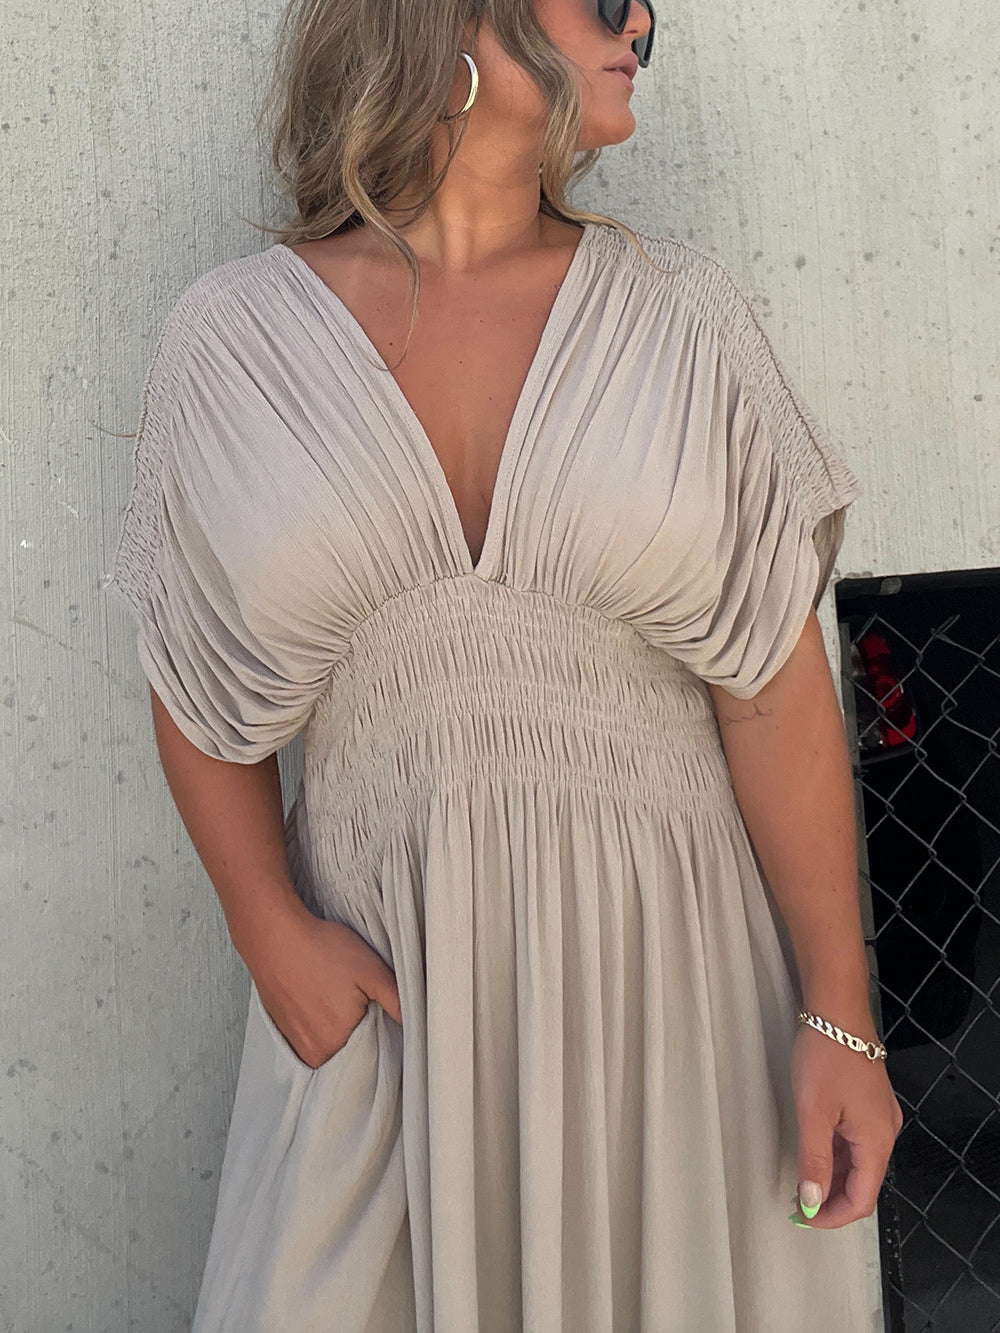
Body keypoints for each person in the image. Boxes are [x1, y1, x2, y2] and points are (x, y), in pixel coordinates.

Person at [107, 0, 904, 1327]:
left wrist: (838, 1015)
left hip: (674, 986)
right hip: (393, 983)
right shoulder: (233, 338)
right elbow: (193, 667)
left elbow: (769, 685)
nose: (639, 25)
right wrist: (267, 929)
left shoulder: (680, 316)